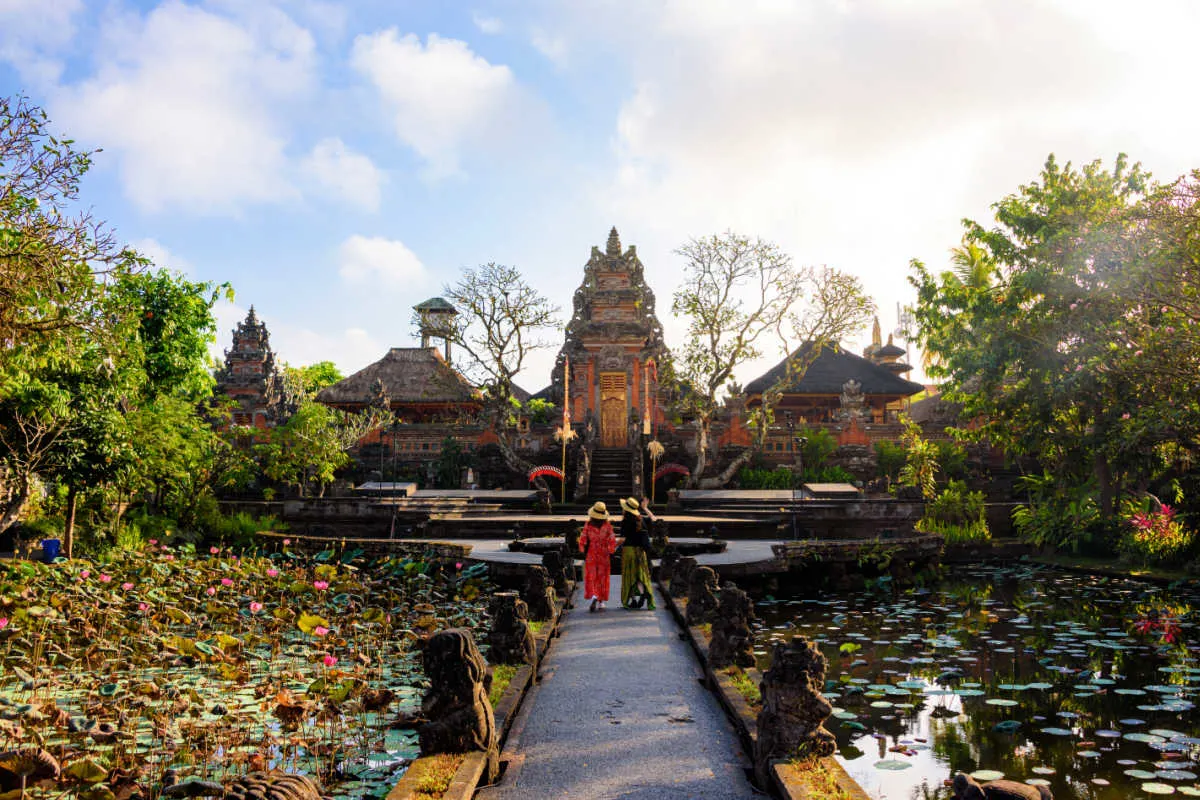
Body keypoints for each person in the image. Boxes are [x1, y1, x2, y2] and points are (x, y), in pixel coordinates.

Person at [579, 501, 621, 612]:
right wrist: (611, 551)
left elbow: (583, 539)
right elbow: (612, 540)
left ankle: (594, 595)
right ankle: (600, 601)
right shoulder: (607, 526)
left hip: (592, 553)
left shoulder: (588, 525)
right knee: (603, 577)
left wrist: (582, 550)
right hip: (604, 554)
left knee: (592, 576)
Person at [619, 496, 655, 610]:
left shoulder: (625, 521)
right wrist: (645, 508)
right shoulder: (641, 520)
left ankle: (633, 600)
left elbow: (623, 539)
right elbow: (654, 519)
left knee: (629, 577)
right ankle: (643, 592)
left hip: (629, 551)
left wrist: (612, 547)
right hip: (640, 552)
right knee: (640, 576)